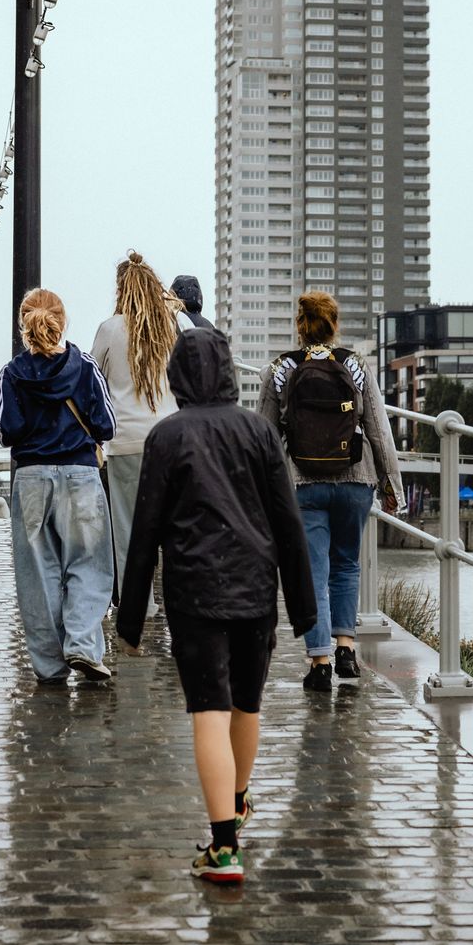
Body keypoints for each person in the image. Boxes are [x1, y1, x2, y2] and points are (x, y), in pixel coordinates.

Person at [116, 327, 315, 884]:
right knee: (247, 705)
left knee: (209, 710)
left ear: (176, 377)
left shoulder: (166, 436)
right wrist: (304, 609)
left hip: (195, 591)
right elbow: (287, 521)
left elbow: (145, 530)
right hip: (256, 587)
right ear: (228, 372)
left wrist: (130, 621)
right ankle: (240, 799)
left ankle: (225, 849)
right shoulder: (258, 432)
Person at [258, 290, 404, 693]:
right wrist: (391, 485)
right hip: (356, 480)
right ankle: (346, 648)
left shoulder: (280, 369)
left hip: (302, 482)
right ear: (334, 324)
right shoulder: (355, 366)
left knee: (313, 573)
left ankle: (320, 662)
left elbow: (264, 438)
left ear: (299, 326)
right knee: (346, 564)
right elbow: (378, 430)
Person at [0, 288, 117, 685]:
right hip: (80, 475)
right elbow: (107, 425)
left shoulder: (12, 373)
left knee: (37, 574)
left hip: (32, 478)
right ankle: (82, 645)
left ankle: (49, 666)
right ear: (62, 322)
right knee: (89, 563)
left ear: (23, 324)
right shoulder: (84, 366)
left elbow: (7, 429)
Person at [90, 251, 182, 602]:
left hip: (126, 440)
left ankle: (140, 606)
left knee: (128, 531)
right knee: (173, 528)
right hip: (171, 441)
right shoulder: (172, 327)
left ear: (121, 289)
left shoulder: (110, 329)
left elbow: (93, 380)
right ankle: (179, 603)